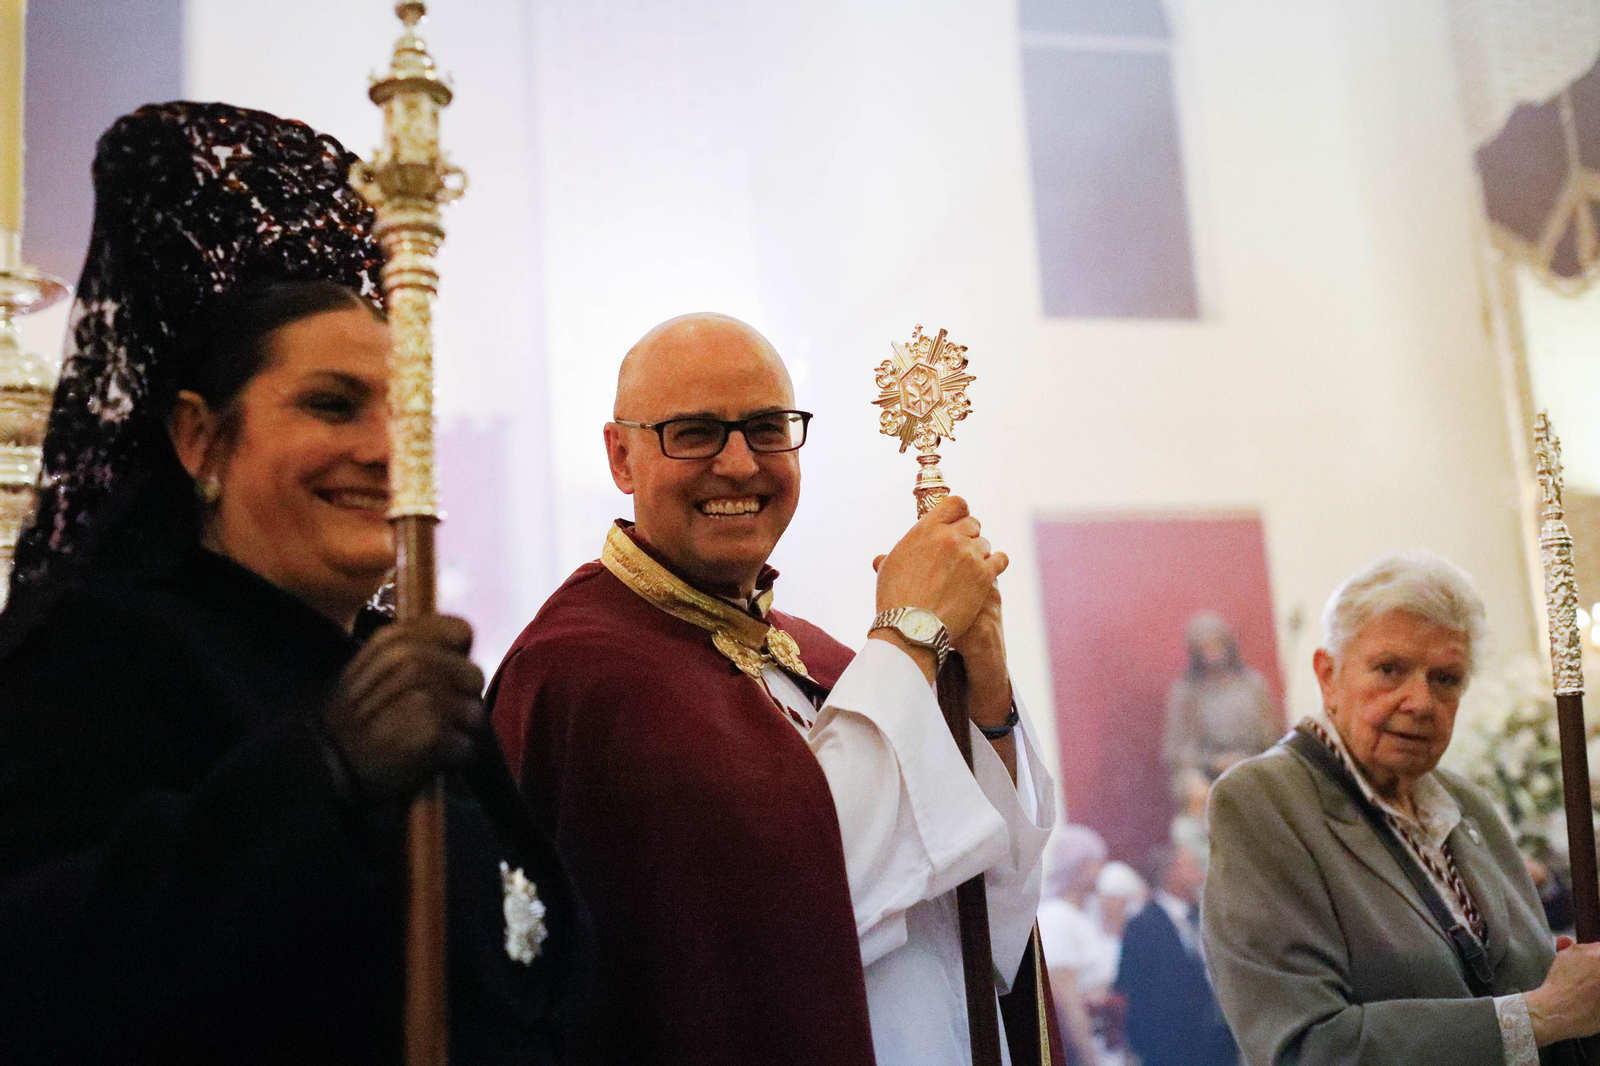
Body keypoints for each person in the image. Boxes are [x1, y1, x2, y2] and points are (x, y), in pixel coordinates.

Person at [0, 102, 587, 1065]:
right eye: (331, 404)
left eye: (405, 410)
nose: (384, 449)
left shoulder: (393, 667)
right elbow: (40, 977)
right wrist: (322, 773)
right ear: (198, 437)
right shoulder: (97, 654)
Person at [487, 312, 1056, 1066]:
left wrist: (983, 712)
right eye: (693, 432)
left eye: (765, 428)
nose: (738, 465)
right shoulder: (582, 673)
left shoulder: (825, 659)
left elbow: (973, 906)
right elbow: (785, 911)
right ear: (621, 457)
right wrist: (910, 635)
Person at [1203, 552, 1600, 1066]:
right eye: (1390, 669)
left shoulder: (1467, 806)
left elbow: (1543, 998)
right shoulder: (1265, 802)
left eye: (1446, 679)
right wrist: (1541, 1015)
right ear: (1328, 675)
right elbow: (1305, 1048)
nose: (1420, 701)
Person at [1114, 843, 1236, 1066]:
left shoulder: (1205, 918)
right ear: (1172, 872)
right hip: (1168, 1049)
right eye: (1192, 867)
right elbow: (1133, 988)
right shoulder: (1143, 925)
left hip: (1217, 1043)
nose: (1200, 874)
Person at [1038, 825, 1121, 1065]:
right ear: (1078, 865)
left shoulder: (1087, 915)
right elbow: (1067, 1001)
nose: (1101, 870)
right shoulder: (1056, 917)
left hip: (1110, 1047)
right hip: (1091, 1050)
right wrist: (1089, 1059)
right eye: (1096, 862)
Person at [1162, 612, 1281, 780]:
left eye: (1216, 643)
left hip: (1254, 765)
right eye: (1205, 646)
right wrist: (1213, 762)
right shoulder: (1186, 693)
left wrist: (1245, 759)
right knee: (1193, 787)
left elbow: (1272, 738)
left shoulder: (1253, 685)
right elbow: (1177, 751)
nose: (1212, 652)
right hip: (1207, 772)